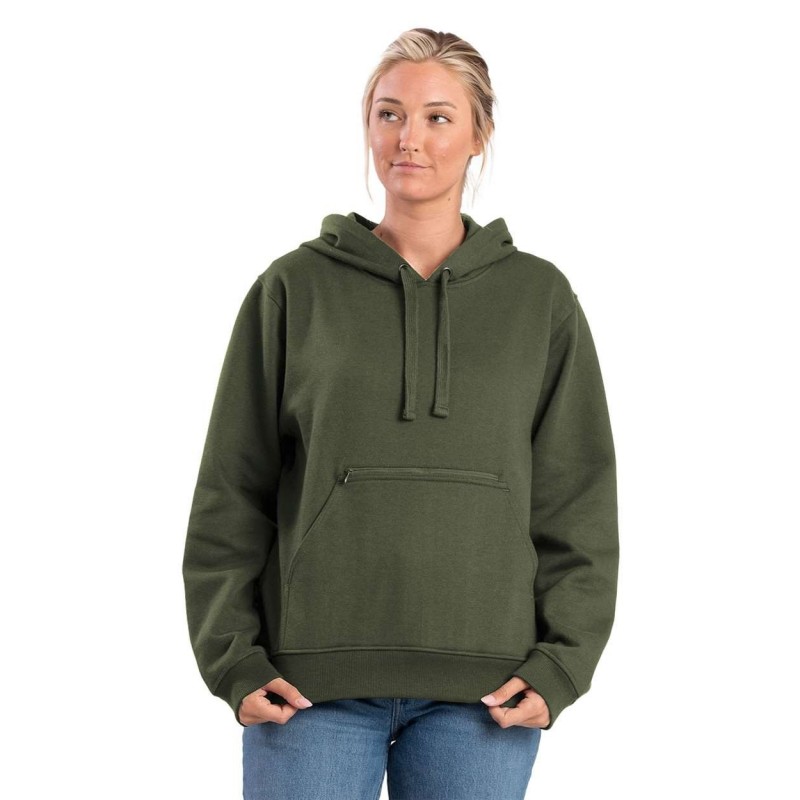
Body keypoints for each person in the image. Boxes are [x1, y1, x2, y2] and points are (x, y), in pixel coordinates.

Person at [182, 27, 619, 800]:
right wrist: (232, 659)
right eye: (389, 114)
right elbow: (232, 489)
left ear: (480, 134)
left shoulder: (539, 300)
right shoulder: (293, 290)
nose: (408, 138)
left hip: (487, 695)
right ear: (368, 124)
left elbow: (576, 500)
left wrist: (561, 665)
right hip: (306, 689)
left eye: (437, 117)